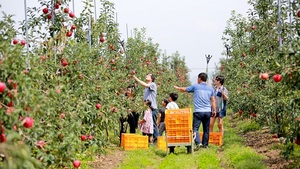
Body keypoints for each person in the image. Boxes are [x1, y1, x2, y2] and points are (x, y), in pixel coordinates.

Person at [174, 72, 216, 150]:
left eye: (198, 78)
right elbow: (213, 100)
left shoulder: (196, 87)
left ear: (200, 78)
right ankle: (205, 145)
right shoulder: (210, 88)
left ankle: (198, 142)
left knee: (195, 128)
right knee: (206, 129)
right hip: (207, 111)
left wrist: (177, 88)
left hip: (198, 112)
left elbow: (184, 89)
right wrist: (214, 110)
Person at [133, 73, 158, 143]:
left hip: (152, 108)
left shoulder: (152, 84)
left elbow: (145, 85)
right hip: (146, 109)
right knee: (146, 124)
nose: (146, 76)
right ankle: (146, 141)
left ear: (152, 78)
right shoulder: (146, 88)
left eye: (148, 75)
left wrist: (136, 79)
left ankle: (156, 141)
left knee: (153, 124)